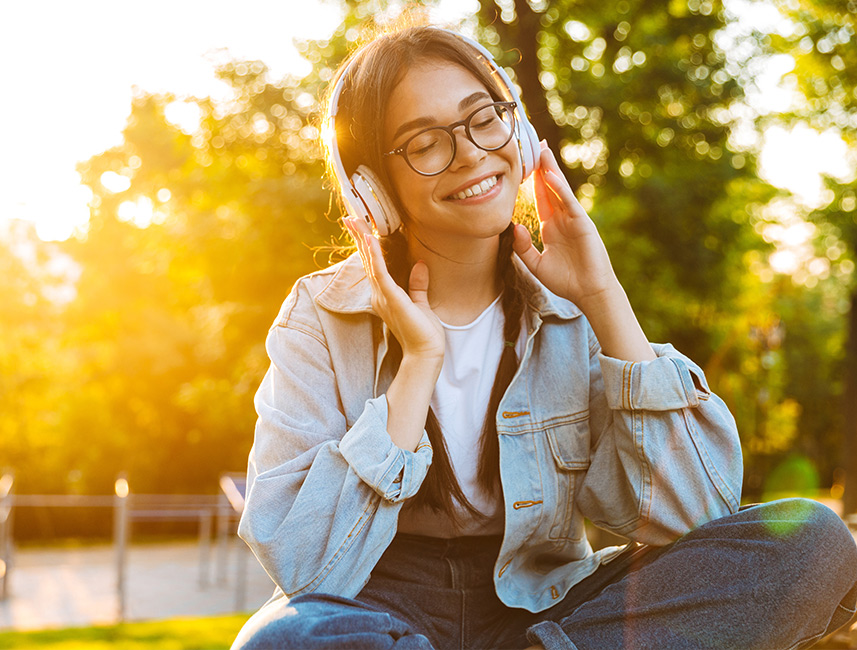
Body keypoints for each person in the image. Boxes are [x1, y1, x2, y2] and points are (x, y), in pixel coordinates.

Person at [231, 24, 857, 650]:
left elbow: (694, 517)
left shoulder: (569, 310)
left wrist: (604, 298)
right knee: (284, 641)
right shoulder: (319, 316)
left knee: (816, 543)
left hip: (544, 607)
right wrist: (419, 361)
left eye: (484, 119)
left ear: (521, 131)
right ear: (372, 191)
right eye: (425, 143)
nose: (473, 152)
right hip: (377, 608)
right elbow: (305, 565)